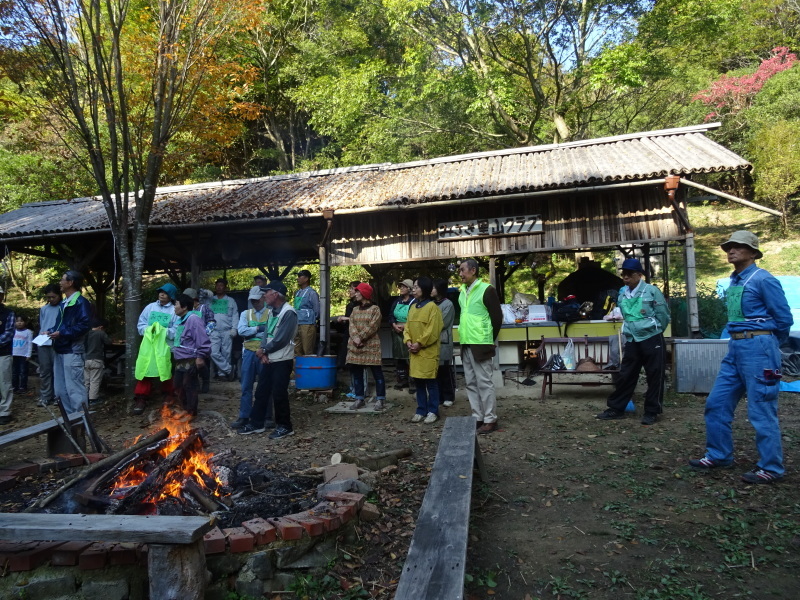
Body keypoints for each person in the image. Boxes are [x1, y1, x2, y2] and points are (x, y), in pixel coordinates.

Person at [689, 231, 793, 484]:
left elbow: (784, 320)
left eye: (738, 247)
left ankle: (771, 467)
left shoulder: (763, 279)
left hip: (758, 348)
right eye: (729, 247)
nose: (731, 251)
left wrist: (765, 344)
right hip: (735, 348)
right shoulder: (735, 281)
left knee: (761, 408)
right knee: (717, 402)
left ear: (754, 253)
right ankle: (719, 454)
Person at [596, 258, 670, 425]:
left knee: (655, 375)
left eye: (629, 273)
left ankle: (652, 411)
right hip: (632, 339)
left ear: (639, 274)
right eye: (624, 274)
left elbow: (663, 315)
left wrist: (655, 330)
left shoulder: (651, 291)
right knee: (626, 374)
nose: (626, 277)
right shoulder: (622, 294)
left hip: (652, 338)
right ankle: (616, 408)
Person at [238, 281, 298, 439]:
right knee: (261, 391)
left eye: (267, 292)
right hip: (269, 358)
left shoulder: (289, 312)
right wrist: (263, 352)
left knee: (279, 393)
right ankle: (256, 423)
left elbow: (282, 339)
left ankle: (285, 426)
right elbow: (267, 334)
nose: (264, 295)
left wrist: (263, 350)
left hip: (282, 359)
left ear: (276, 294)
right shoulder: (272, 312)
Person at [457, 259, 503, 434]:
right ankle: (478, 417)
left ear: (473, 270)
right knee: (470, 382)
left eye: (462, 270)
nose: (460, 274)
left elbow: (497, 318)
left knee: (484, 382)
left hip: (481, 343)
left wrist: (489, 339)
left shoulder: (487, 290)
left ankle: (490, 419)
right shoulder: (462, 292)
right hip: (466, 343)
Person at [49, 270, 92, 414]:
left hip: (73, 351)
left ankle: (81, 421)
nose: (60, 282)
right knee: (60, 390)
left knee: (75, 389)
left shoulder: (81, 302)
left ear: (70, 283)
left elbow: (84, 325)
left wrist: (61, 333)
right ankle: (69, 421)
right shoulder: (64, 303)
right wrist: (50, 332)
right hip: (60, 350)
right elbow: (60, 325)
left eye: (62, 279)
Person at [133, 283, 177, 415]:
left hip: (165, 347)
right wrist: (149, 330)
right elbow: (141, 325)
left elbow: (176, 330)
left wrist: (162, 331)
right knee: (145, 370)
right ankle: (141, 398)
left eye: (165, 293)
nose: (162, 294)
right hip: (149, 347)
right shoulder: (150, 307)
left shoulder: (174, 310)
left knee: (166, 370)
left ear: (171, 296)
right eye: (160, 292)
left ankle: (168, 396)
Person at [405, 277, 443, 424]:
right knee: (418, 382)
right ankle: (421, 410)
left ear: (425, 288)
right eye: (413, 287)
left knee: (431, 382)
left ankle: (433, 411)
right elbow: (407, 326)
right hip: (414, 351)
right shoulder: (413, 307)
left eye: (416, 287)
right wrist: (408, 340)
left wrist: (419, 343)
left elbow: (433, 330)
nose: (413, 289)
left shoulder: (433, 307)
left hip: (428, 352)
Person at [231, 286, 270, 429]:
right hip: (248, 351)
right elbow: (241, 331)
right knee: (246, 385)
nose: (254, 302)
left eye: (257, 299)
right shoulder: (245, 314)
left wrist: (251, 331)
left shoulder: (270, 313)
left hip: (264, 351)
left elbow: (270, 331)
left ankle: (267, 416)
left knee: (265, 385)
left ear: (263, 298)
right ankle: (244, 416)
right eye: (252, 300)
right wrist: (258, 329)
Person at [171, 294, 212, 422]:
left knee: (189, 385)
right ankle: (185, 409)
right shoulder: (181, 320)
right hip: (180, 360)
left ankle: (191, 412)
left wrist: (201, 356)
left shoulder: (194, 319)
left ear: (184, 307)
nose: (174, 307)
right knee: (178, 385)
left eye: (176, 304)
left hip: (191, 359)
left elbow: (202, 339)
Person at [346, 283, 386, 411]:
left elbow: (373, 326)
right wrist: (355, 338)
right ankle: (359, 398)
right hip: (356, 346)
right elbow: (351, 324)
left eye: (358, 292)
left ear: (364, 294)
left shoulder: (375, 309)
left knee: (377, 373)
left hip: (371, 346)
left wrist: (360, 337)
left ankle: (380, 399)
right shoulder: (355, 310)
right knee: (357, 373)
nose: (355, 294)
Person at [182, 287, 215, 393]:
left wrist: (204, 333)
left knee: (202, 362)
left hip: (201, 339)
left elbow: (211, 322)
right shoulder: (185, 310)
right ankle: (194, 384)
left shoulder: (204, 308)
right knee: (191, 362)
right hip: (189, 341)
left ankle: (206, 380)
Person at [207, 278, 238, 381]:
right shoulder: (211, 300)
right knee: (213, 352)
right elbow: (205, 313)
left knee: (226, 353)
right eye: (217, 285)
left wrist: (234, 329)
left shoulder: (231, 300)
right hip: (213, 330)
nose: (219, 287)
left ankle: (222, 374)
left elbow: (235, 316)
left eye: (221, 285)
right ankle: (229, 369)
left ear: (225, 287)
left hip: (227, 330)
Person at [37, 284, 62, 407]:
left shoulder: (63, 307)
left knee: (57, 370)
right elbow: (42, 324)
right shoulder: (44, 309)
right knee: (45, 370)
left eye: (53, 297)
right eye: (48, 297)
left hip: (57, 342)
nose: (51, 299)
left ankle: (58, 396)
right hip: (43, 342)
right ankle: (46, 396)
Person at [432, 278, 456, 407]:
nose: (431, 290)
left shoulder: (448, 304)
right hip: (432, 342)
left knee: (445, 370)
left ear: (440, 289)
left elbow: (443, 323)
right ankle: (439, 396)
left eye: (433, 288)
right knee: (435, 371)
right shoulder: (431, 304)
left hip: (444, 341)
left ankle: (449, 396)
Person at [390, 279, 415, 392]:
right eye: (401, 286)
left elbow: (415, 318)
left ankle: (413, 382)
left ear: (409, 289)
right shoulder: (397, 301)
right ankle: (402, 380)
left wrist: (406, 326)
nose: (401, 288)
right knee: (399, 358)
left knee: (409, 358)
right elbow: (391, 315)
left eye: (404, 286)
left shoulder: (414, 302)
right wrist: (394, 325)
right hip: (396, 333)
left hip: (409, 332)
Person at [83, 318, 111, 405]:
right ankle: (93, 399)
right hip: (97, 359)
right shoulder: (101, 333)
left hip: (87, 359)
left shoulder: (87, 333)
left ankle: (84, 398)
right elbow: (108, 342)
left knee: (86, 380)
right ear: (101, 327)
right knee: (95, 380)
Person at [293, 269, 320, 356]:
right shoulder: (297, 293)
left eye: (300, 277)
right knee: (296, 349)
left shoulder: (312, 293)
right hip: (297, 324)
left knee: (307, 349)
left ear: (306, 278)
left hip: (308, 324)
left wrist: (312, 319)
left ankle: (308, 368)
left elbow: (317, 310)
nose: (298, 279)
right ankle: (298, 368)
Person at [0, 287, 16, 425]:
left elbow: (9, 333)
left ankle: (5, 411)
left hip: (3, 353)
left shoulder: (8, 313)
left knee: (4, 383)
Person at [12, 315, 33, 395]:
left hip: (23, 355)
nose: (19, 323)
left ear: (25, 322)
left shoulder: (28, 332)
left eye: (21, 321)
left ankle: (23, 387)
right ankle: (14, 386)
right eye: (17, 321)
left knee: (23, 371)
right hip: (14, 354)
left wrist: (29, 354)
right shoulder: (12, 331)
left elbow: (29, 344)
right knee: (14, 372)